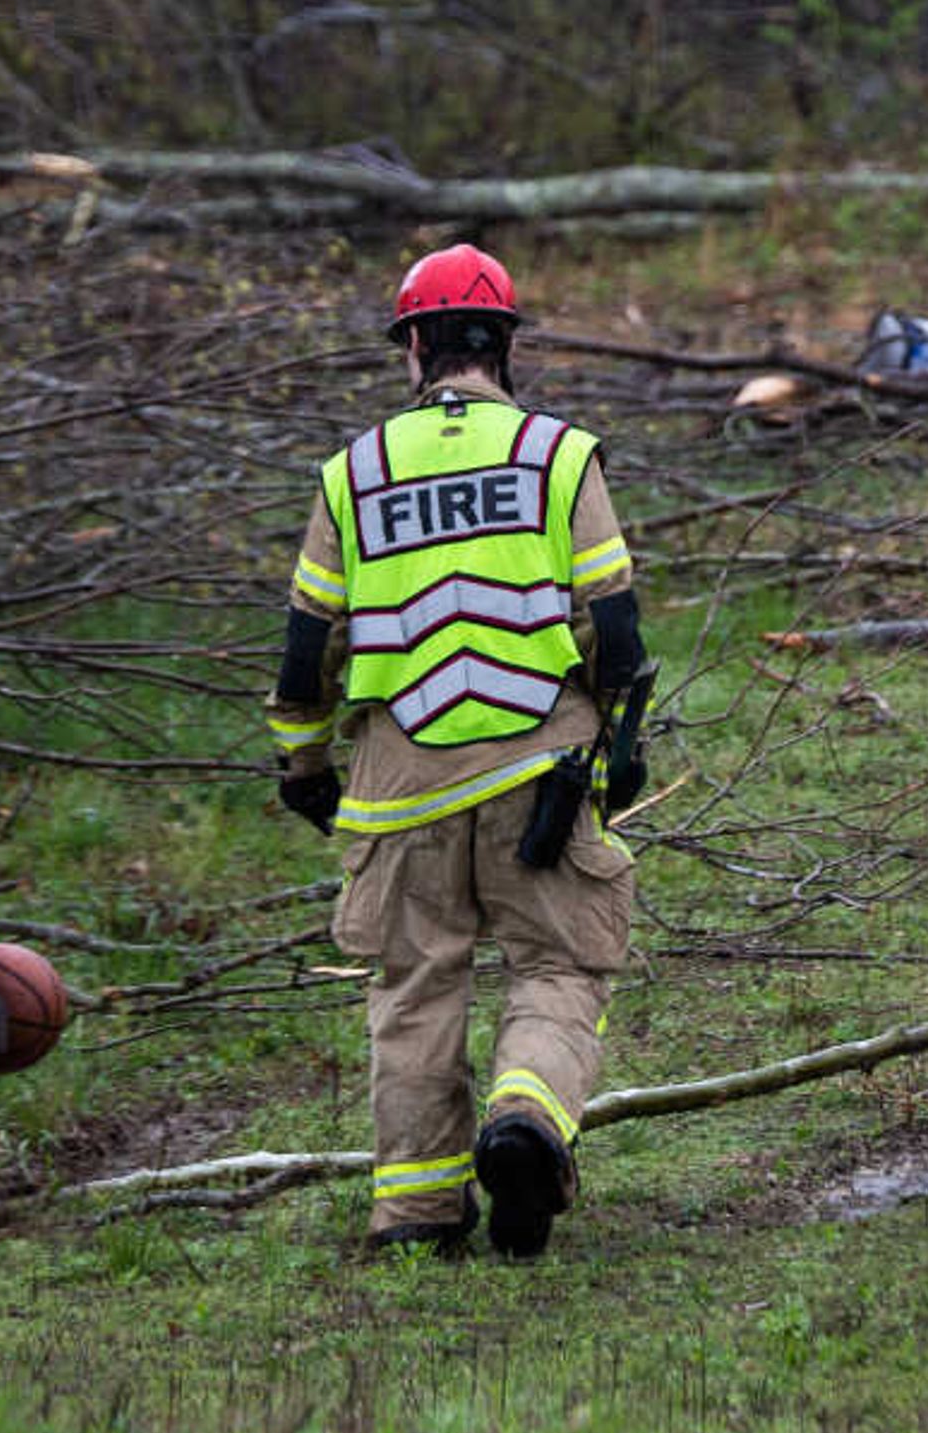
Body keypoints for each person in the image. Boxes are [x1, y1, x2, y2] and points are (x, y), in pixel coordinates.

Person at [266, 245, 650, 1257]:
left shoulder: (351, 476)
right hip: (542, 773)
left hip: (400, 785)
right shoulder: (559, 456)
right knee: (562, 961)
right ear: (506, 347)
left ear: (413, 350)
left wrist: (303, 765)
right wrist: (619, 742)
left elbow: (307, 649)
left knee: (413, 991)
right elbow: (615, 626)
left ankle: (417, 1212)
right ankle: (525, 1117)